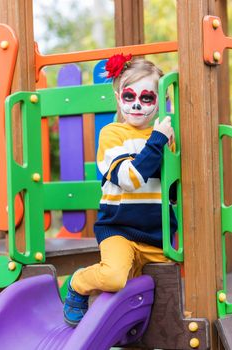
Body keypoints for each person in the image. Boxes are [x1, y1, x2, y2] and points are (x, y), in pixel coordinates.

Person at [63, 54, 177, 327]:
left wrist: (166, 145)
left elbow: (171, 190)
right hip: (119, 228)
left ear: (159, 101)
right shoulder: (113, 134)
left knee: (175, 279)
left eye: (147, 97)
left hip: (155, 235)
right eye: (129, 96)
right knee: (115, 277)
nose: (137, 104)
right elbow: (130, 178)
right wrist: (158, 140)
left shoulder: (165, 138)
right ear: (118, 98)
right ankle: (78, 282)